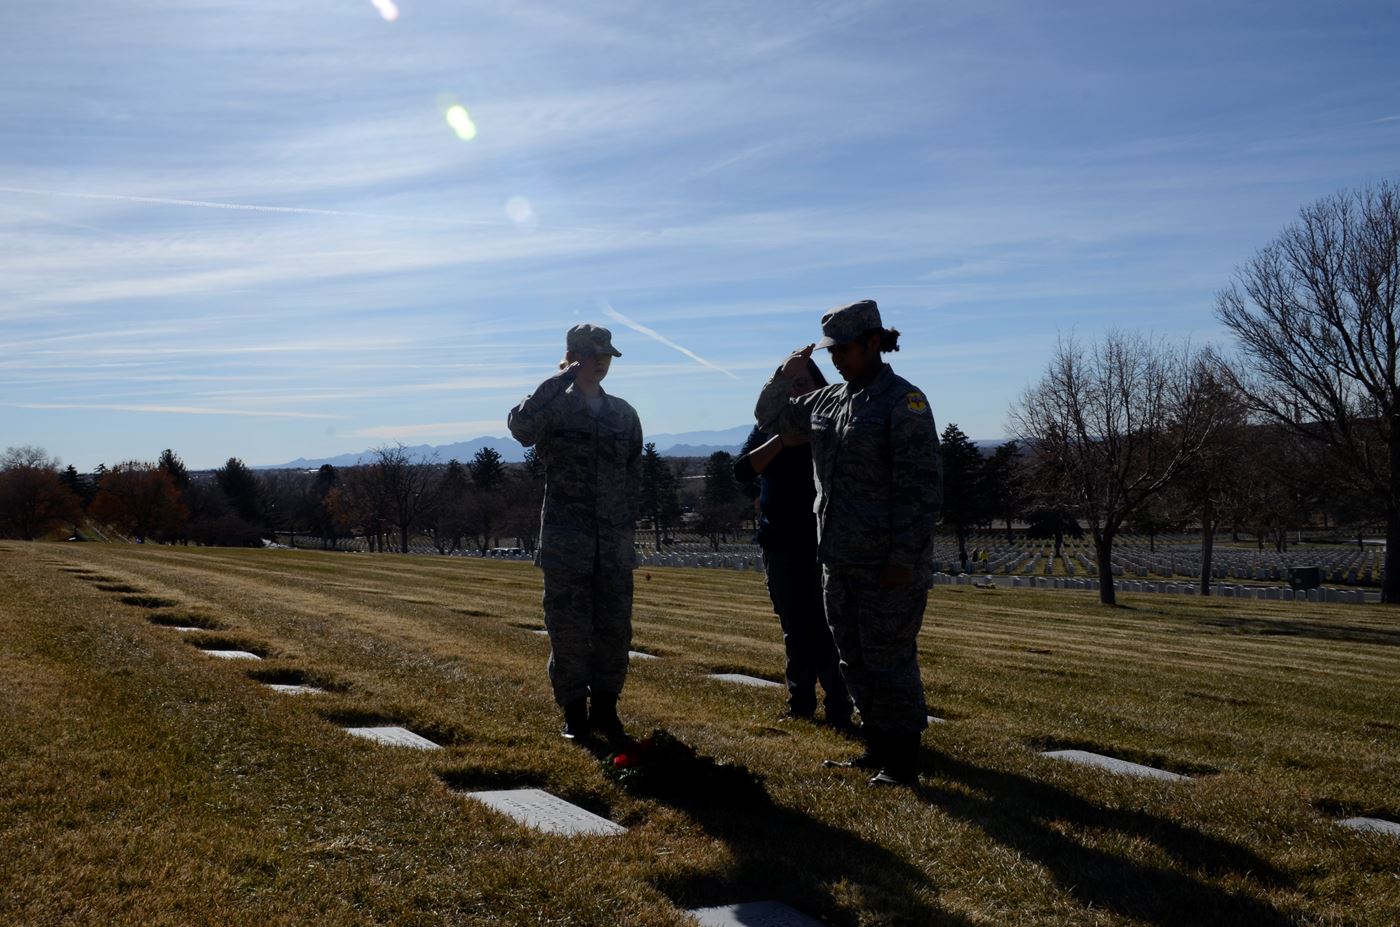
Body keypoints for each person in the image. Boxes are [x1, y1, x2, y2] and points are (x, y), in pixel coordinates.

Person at [753, 299, 942, 785]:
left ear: (874, 342)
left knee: (890, 657)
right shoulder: (829, 401)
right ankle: (878, 746)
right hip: (837, 558)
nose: (835, 359)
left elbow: (921, 490)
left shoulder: (904, 401)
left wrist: (902, 559)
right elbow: (770, 417)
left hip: (887, 563)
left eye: (844, 349)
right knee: (852, 657)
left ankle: (903, 758)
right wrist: (786, 369)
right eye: (830, 351)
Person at [507, 323, 643, 744]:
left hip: (614, 543)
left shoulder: (623, 413)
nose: (601, 362)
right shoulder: (554, 407)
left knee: (614, 629)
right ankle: (573, 712)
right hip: (568, 540)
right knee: (568, 628)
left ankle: (606, 708)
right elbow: (521, 427)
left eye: (607, 355)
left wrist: (628, 530)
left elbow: (634, 475)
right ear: (574, 356)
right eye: (592, 354)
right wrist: (559, 379)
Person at [734, 358, 853, 729]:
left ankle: (839, 707)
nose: (798, 389)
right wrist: (782, 441)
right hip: (781, 540)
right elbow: (742, 470)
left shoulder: (834, 423)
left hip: (825, 540)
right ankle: (800, 702)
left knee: (830, 627)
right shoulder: (774, 426)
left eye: (805, 382)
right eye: (792, 383)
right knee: (795, 627)